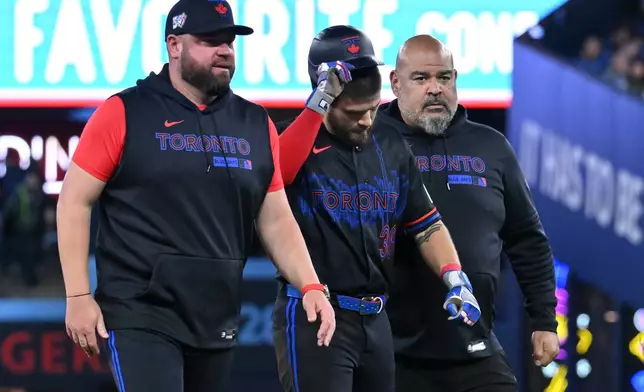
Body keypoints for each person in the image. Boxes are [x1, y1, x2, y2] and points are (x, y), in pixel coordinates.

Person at [56, 1, 335, 391]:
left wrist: (309, 285)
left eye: (230, 42)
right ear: (174, 45)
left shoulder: (255, 123)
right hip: (140, 311)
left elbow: (275, 217)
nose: (225, 50)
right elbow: (73, 201)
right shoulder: (124, 112)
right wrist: (79, 295)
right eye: (209, 41)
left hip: (215, 312)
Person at [271, 25, 482, 392]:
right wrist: (317, 104)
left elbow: (426, 223)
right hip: (317, 313)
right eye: (353, 112)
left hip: (377, 319)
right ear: (324, 97)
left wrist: (454, 276)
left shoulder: (391, 142)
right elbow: (279, 171)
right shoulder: (298, 138)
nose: (366, 120)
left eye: (371, 109)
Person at [377, 34, 559, 391]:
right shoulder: (370, 144)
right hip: (389, 355)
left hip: (474, 346)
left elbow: (527, 241)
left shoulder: (491, 147)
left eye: (444, 78)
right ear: (395, 83)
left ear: (456, 80)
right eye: (421, 78)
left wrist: (545, 320)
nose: (435, 89)